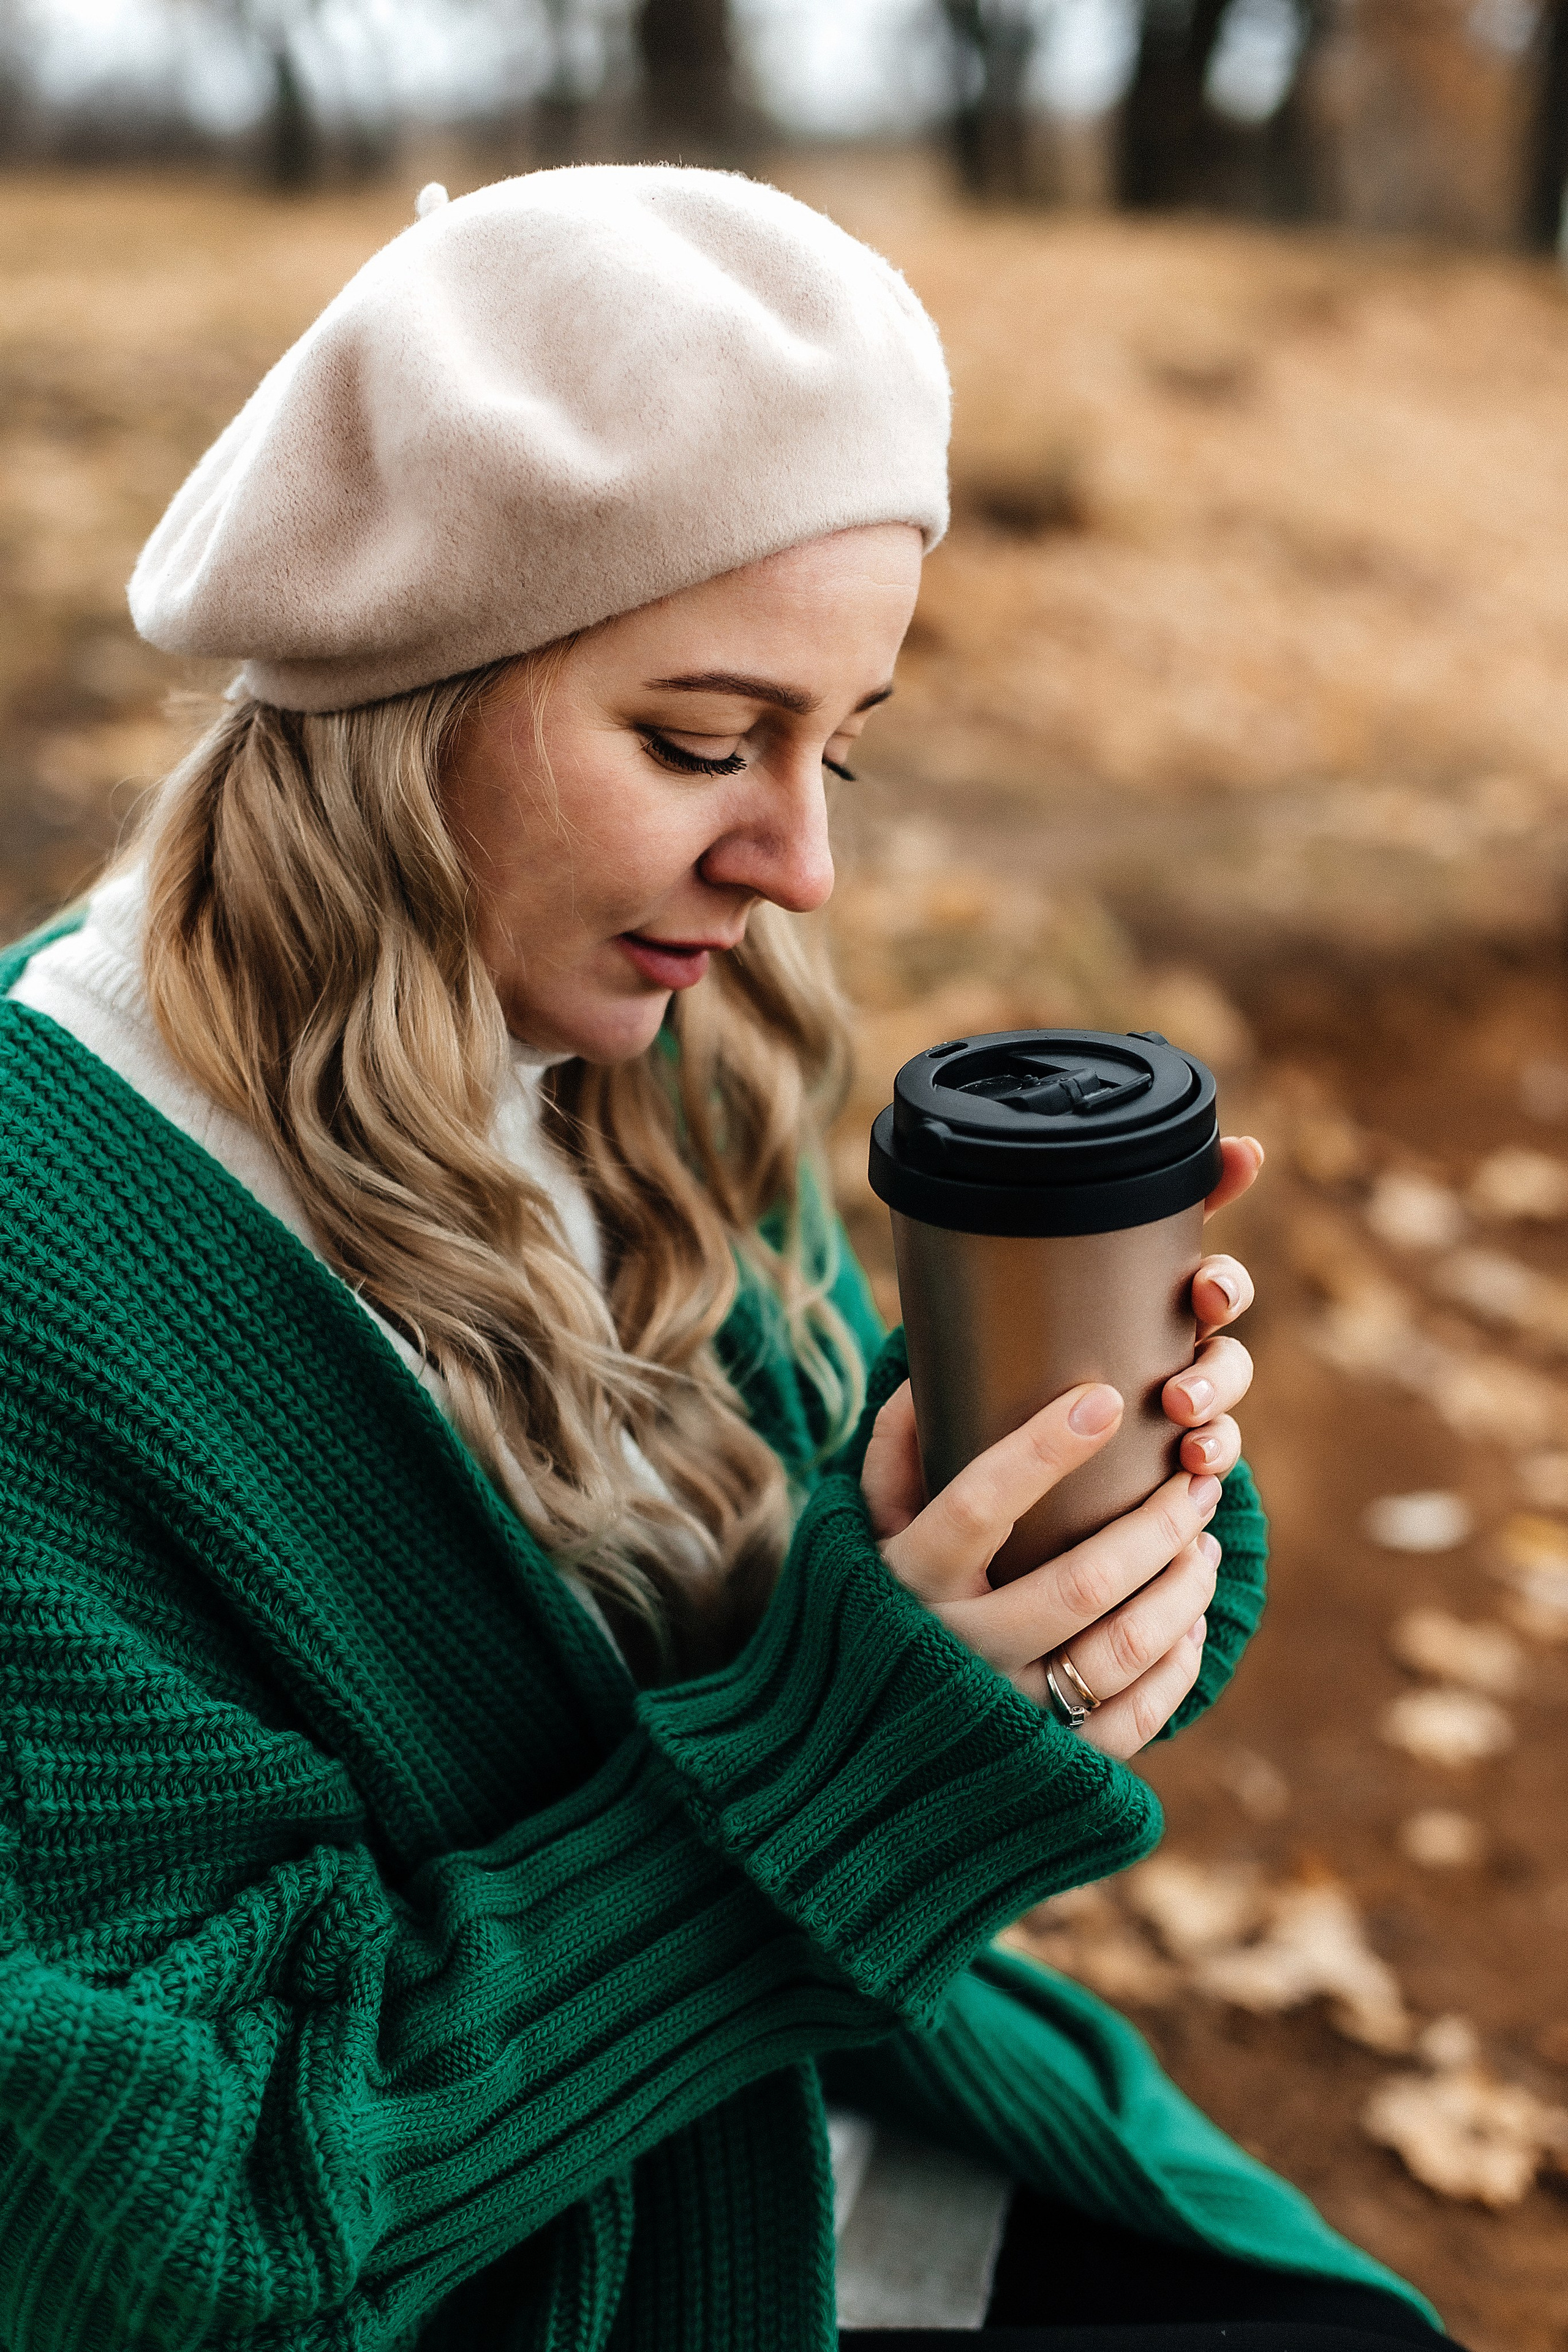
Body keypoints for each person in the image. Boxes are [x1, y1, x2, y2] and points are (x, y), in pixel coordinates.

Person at [0, 168, 1450, 2352]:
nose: (804, 861)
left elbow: (850, 1649)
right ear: (407, 685)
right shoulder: (46, 1278)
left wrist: (1069, 1539)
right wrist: (856, 1766)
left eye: (839, 742)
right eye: (703, 742)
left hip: (870, 2121)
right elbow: (173, 2226)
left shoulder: (641, 1044)